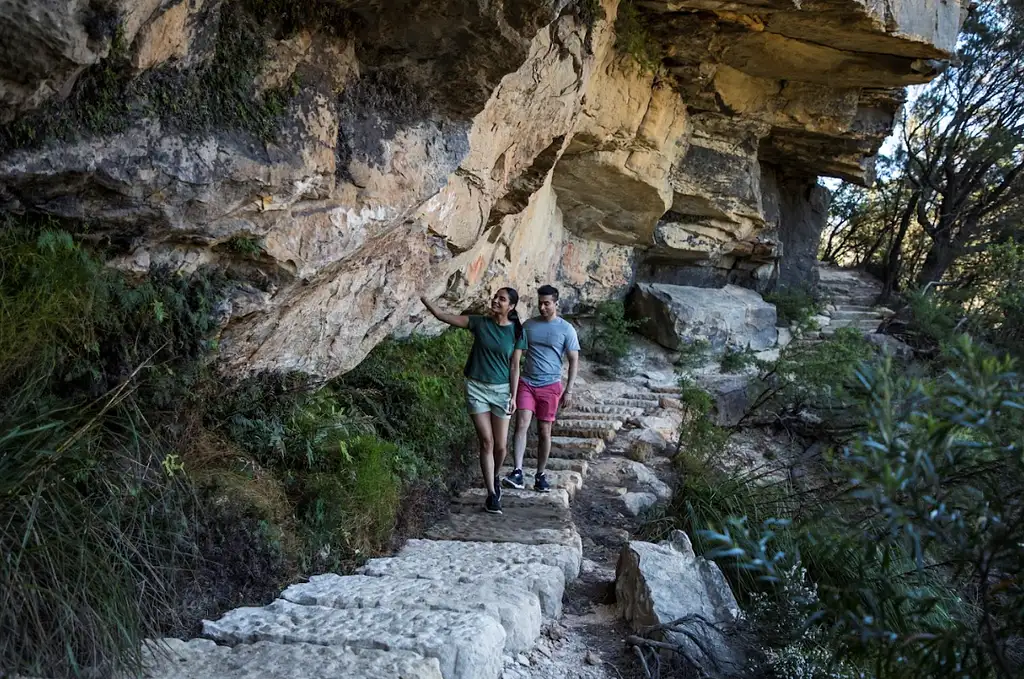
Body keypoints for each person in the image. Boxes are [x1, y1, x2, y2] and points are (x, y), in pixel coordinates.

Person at [420, 288, 527, 514]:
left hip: (502, 391)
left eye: (502, 299)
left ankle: (495, 476)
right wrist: (423, 297)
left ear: (512, 307)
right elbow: (443, 316)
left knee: (501, 447)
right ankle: (491, 494)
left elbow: (515, 366)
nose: (496, 301)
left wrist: (514, 396)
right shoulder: (479, 322)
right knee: (486, 442)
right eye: (495, 297)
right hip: (476, 387)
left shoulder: (517, 332)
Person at [503, 284, 579, 493]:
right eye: (540, 303)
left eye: (547, 303)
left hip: (551, 385)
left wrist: (569, 390)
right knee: (522, 424)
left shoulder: (566, 329)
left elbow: (574, 360)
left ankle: (540, 474)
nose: (543, 307)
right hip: (527, 382)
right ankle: (518, 471)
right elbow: (516, 351)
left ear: (556, 303)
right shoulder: (529, 325)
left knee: (545, 431)